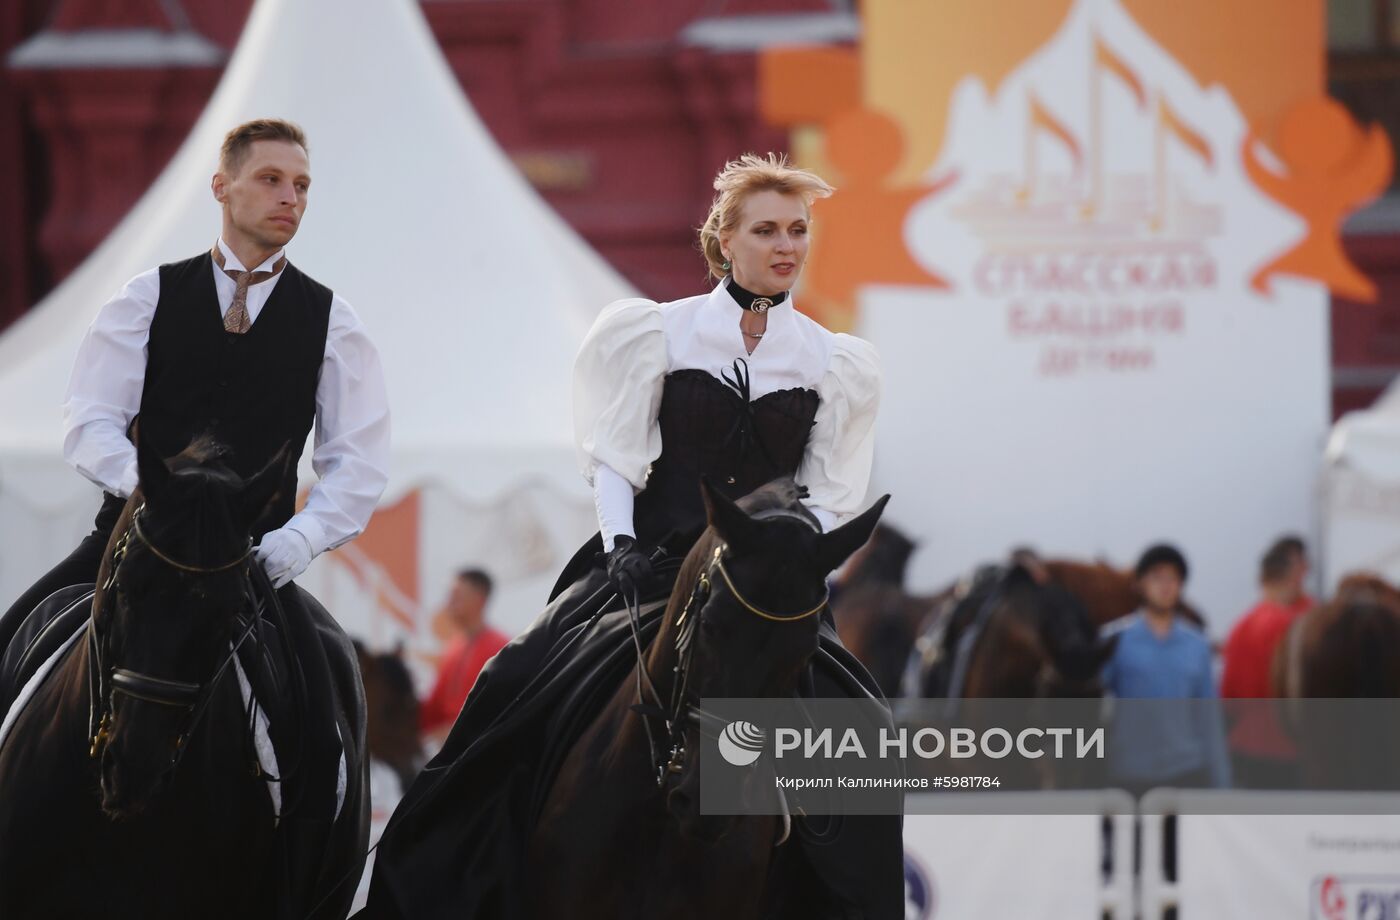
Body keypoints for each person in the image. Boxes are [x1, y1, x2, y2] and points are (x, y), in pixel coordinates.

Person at [362, 154, 900, 919]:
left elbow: (825, 490)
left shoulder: (834, 361)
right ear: (725, 241)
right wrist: (618, 545)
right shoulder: (656, 331)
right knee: (509, 685)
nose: (787, 245)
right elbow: (617, 459)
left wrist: (788, 568)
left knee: (865, 731)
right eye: (767, 229)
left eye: (798, 230)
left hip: (766, 588)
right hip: (645, 566)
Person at [0, 118, 390, 895]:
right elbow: (88, 422)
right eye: (273, 180)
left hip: (251, 566)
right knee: (9, 644)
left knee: (323, 724)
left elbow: (358, 467)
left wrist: (297, 543)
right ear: (223, 186)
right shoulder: (146, 295)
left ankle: (310, 891)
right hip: (131, 542)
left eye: (303, 185)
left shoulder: (333, 321)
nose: (291, 198)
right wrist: (153, 499)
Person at [1100, 544, 1231, 797]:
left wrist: (1222, 785)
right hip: (1129, 774)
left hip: (1186, 772)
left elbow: (1208, 717)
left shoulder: (1197, 645)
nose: (1165, 585)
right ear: (1139, 584)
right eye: (1157, 577)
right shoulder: (1113, 640)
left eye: (1173, 578)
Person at [1220, 536, 1313, 788]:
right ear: (1294, 576)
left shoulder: (1241, 626)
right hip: (1293, 747)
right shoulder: (1302, 625)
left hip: (1246, 746)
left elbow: (1229, 696)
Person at [419, 568, 508, 743]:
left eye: (457, 596)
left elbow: (501, 710)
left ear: (479, 599)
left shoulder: (500, 649)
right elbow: (432, 712)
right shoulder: (451, 649)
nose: (449, 602)